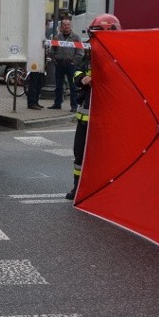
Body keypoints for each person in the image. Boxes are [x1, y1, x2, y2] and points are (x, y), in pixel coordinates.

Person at [67, 13, 122, 200]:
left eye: (95, 36)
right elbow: (77, 72)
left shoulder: (120, 57)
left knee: (105, 157)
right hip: (85, 118)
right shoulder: (91, 54)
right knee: (79, 155)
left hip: (107, 120)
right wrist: (83, 78)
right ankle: (78, 189)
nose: (92, 40)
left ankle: (105, 190)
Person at [49, 18, 84, 112]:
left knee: (73, 86)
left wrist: (74, 61)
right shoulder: (57, 37)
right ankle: (57, 104)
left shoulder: (76, 37)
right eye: (64, 25)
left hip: (70, 65)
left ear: (70, 26)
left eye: (68, 25)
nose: (66, 27)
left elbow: (80, 52)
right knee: (58, 86)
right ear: (61, 27)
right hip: (60, 64)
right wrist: (54, 59)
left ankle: (74, 106)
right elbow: (52, 50)